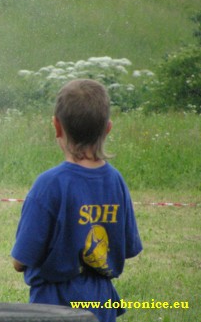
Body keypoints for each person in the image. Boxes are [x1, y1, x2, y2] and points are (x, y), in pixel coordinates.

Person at [11, 79, 142, 322]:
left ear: (57, 126)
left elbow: (21, 260)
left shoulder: (49, 184)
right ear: (108, 129)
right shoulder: (116, 181)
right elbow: (128, 249)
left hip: (54, 304)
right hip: (101, 304)